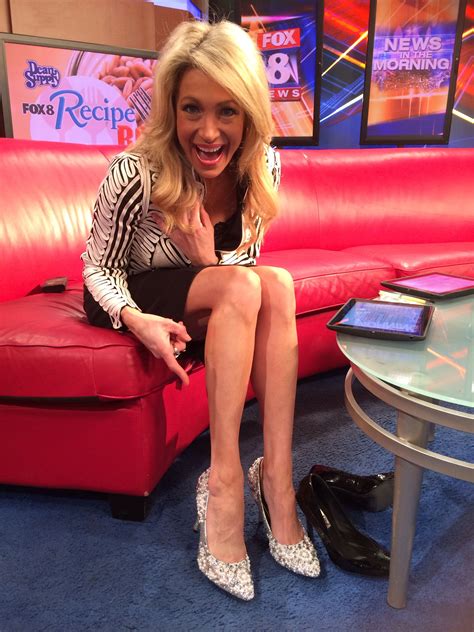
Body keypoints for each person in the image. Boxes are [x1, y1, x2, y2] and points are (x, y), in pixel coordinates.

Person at [82, 19, 319, 601]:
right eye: (192, 109)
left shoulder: (262, 168)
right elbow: (97, 269)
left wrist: (205, 259)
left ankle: (278, 480)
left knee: (277, 284)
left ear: (248, 114)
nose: (208, 132)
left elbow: (244, 272)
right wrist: (134, 319)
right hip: (135, 291)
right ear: (172, 107)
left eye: (226, 111)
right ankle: (225, 483)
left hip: (212, 285)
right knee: (246, 287)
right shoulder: (135, 172)